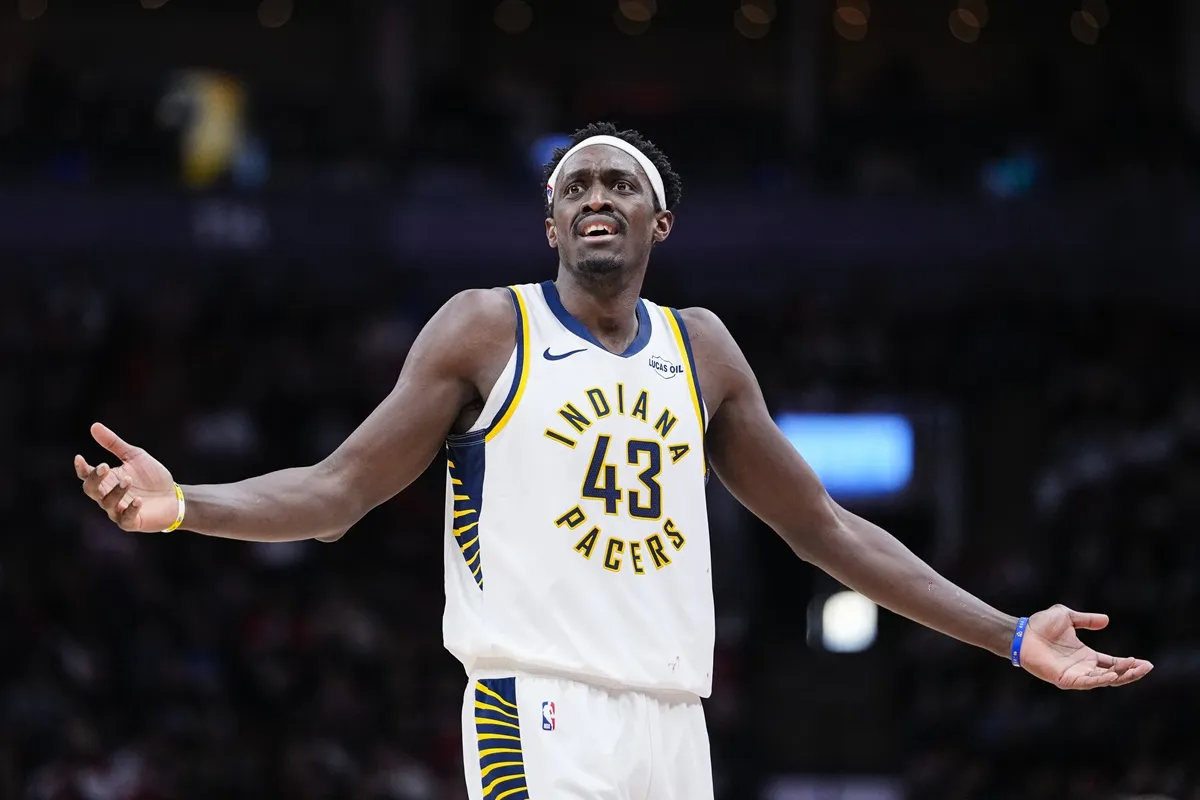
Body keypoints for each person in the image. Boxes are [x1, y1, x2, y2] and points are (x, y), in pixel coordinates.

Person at [74, 122, 1152, 799]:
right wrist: (182, 504)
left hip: (673, 726)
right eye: (575, 186)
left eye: (619, 184)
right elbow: (335, 492)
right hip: (535, 709)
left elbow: (826, 529)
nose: (596, 196)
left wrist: (1012, 634)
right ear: (550, 223)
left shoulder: (703, 349)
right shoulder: (486, 327)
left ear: (659, 220)